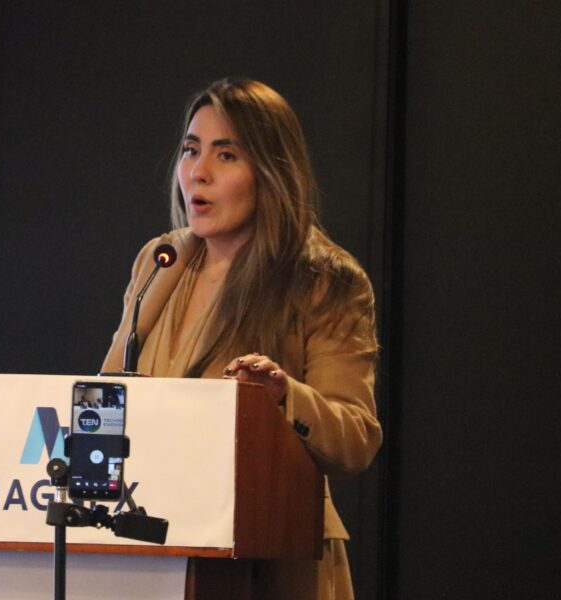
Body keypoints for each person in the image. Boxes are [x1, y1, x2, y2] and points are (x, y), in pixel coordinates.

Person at [100, 78, 382, 599]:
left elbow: (356, 440)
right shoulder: (161, 262)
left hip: (275, 555)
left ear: (271, 172)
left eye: (225, 154)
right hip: (158, 544)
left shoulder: (325, 280)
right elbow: (108, 394)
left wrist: (283, 397)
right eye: (191, 150)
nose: (198, 171)